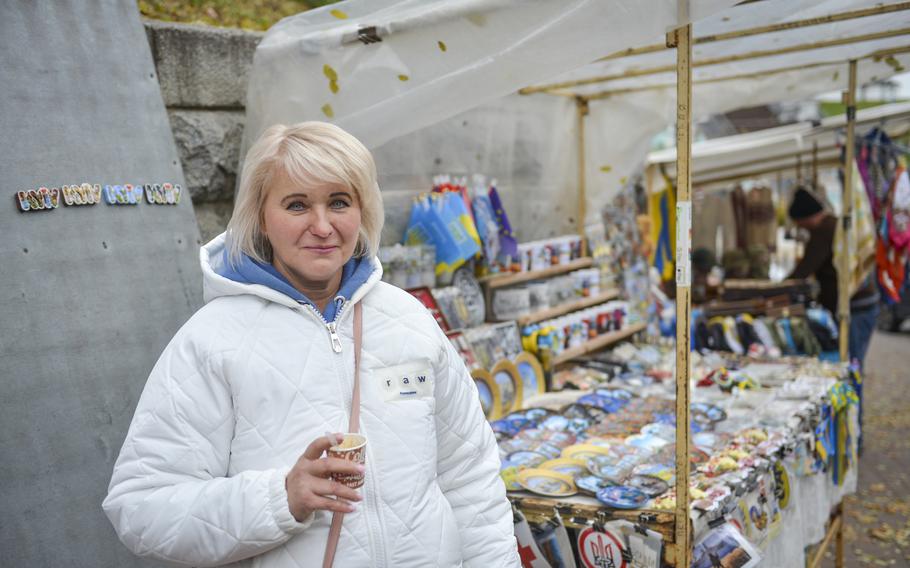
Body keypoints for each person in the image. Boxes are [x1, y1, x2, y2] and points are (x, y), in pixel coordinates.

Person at [103, 122, 520, 567]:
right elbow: (141, 507)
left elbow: (471, 478)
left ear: (363, 211)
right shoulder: (210, 341)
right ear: (261, 217)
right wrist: (279, 499)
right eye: (297, 204)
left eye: (339, 202)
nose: (322, 226)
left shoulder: (410, 320)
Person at [787, 186, 879, 367]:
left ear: (806, 217)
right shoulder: (832, 225)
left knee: (850, 363)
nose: (799, 227)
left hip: (855, 305)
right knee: (852, 361)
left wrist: (779, 286)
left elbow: (804, 270)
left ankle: (853, 395)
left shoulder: (825, 230)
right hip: (861, 303)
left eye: (799, 222)